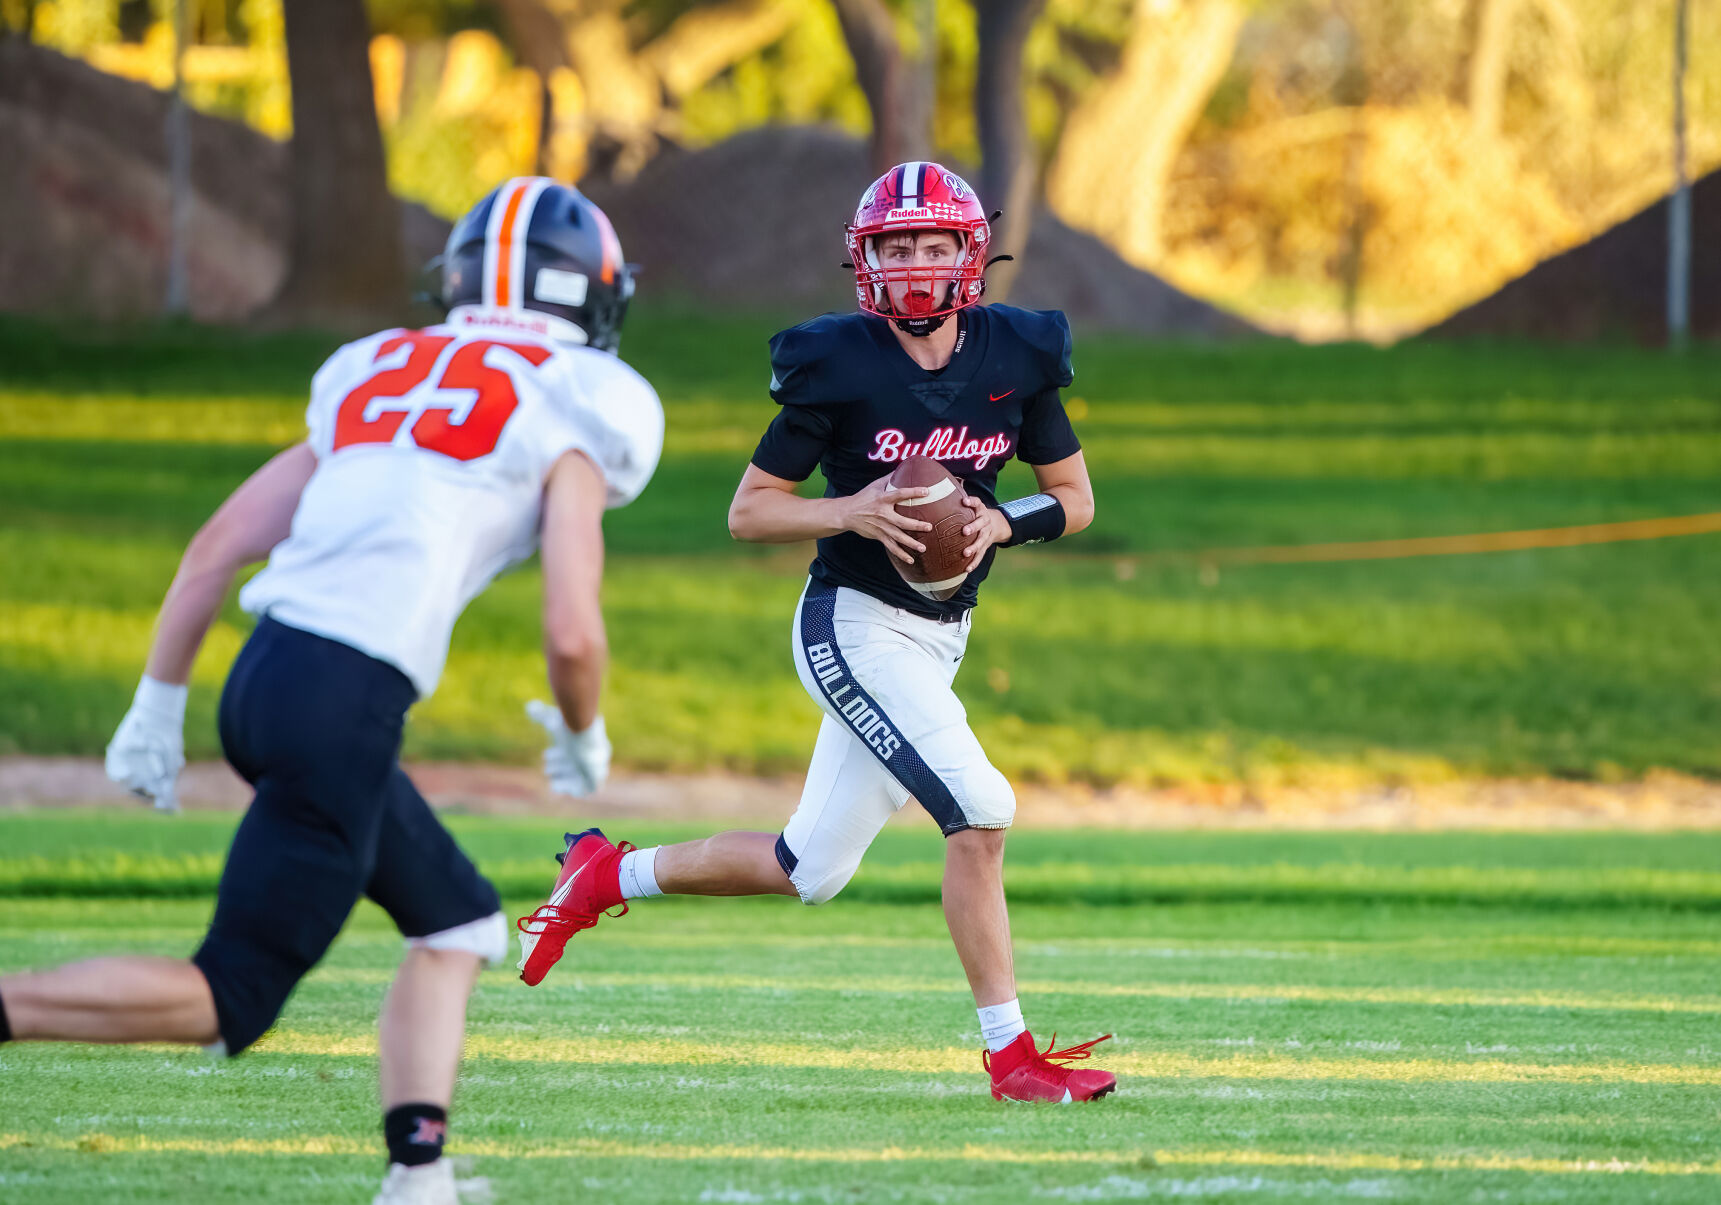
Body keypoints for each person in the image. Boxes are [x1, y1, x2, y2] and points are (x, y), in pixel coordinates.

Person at [0, 178, 664, 1203]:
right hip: (342, 699)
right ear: (594, 295)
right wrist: (584, 732)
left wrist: (157, 702)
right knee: (229, 994)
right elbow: (572, 628)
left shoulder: (378, 365)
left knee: (457, 922)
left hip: (266, 676)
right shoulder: (581, 400)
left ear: (456, 277)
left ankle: (418, 1172)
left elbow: (220, 542)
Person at [516, 161, 1114, 1104]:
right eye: (897, 246)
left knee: (809, 869)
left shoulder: (1017, 355)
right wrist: (855, 509)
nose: (916, 262)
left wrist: (999, 521)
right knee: (981, 808)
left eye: (933, 243)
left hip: (938, 633)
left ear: (972, 250)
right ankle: (1013, 1058)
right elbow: (749, 513)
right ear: (864, 259)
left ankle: (604, 873)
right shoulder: (836, 361)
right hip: (852, 625)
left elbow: (1075, 501)